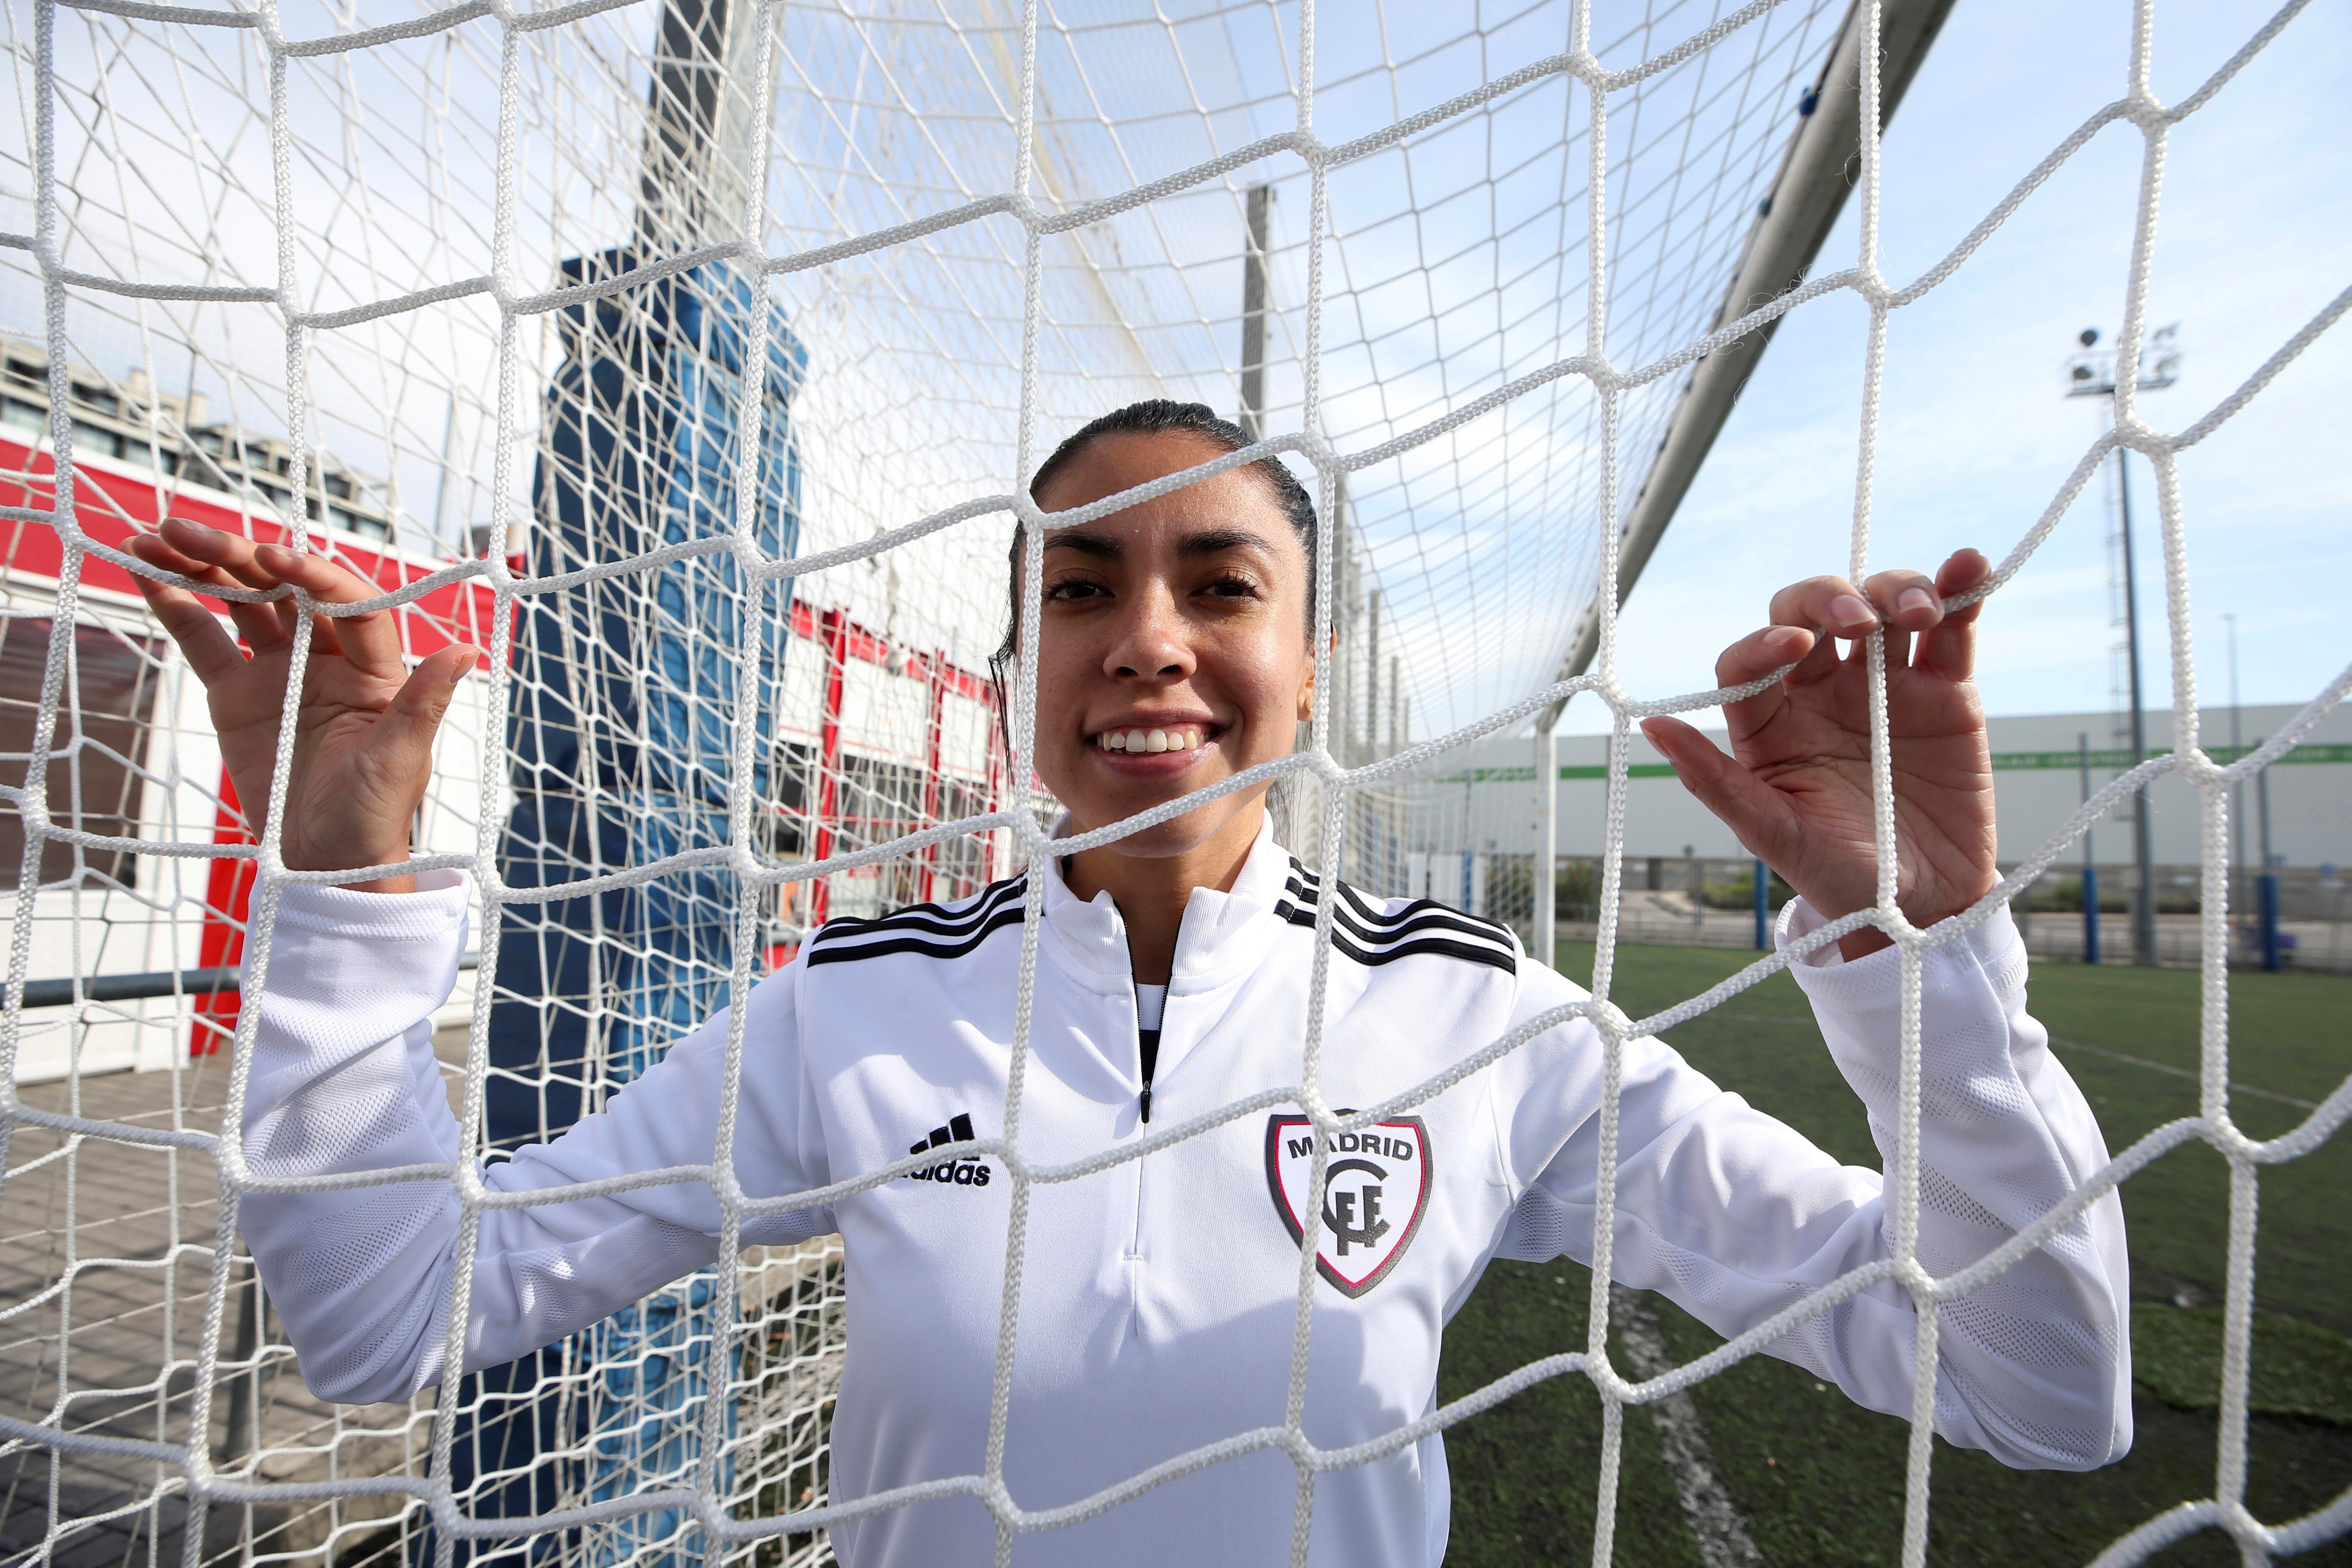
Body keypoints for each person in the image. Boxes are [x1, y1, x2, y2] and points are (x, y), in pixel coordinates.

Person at [128, 399, 2129, 1568]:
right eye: (1082, 587)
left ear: (1311, 663)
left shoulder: (1481, 1018)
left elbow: (2038, 1393)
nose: (1147, 638)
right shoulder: (852, 1008)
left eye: (1219, 583)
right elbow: (392, 1322)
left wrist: (1926, 954)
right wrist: (340, 883)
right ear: (1021, 665)